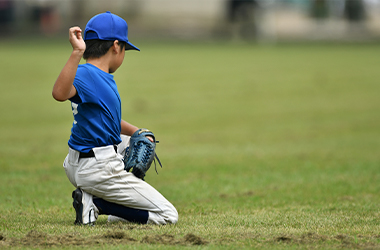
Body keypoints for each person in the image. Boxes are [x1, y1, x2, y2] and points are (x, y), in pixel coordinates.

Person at [52, 11, 178, 225]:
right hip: (96, 168)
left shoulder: (98, 76)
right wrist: (76, 52)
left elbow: (107, 120)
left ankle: (100, 197)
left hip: (79, 162)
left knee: (132, 141)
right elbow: (59, 93)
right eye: (125, 50)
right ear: (116, 46)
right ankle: (97, 204)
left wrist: (136, 132)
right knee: (168, 215)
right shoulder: (88, 74)